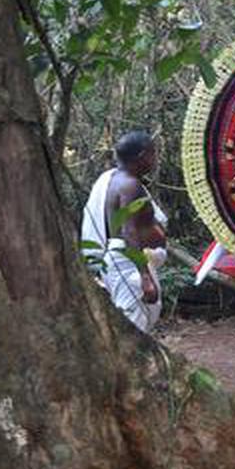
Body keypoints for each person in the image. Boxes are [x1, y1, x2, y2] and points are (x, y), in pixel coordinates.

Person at [81, 131, 169, 334]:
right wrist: (144, 277)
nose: (155, 160)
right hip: (127, 264)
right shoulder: (129, 185)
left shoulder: (119, 180)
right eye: (153, 154)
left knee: (141, 319)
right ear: (142, 156)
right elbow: (129, 230)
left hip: (129, 262)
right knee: (132, 326)